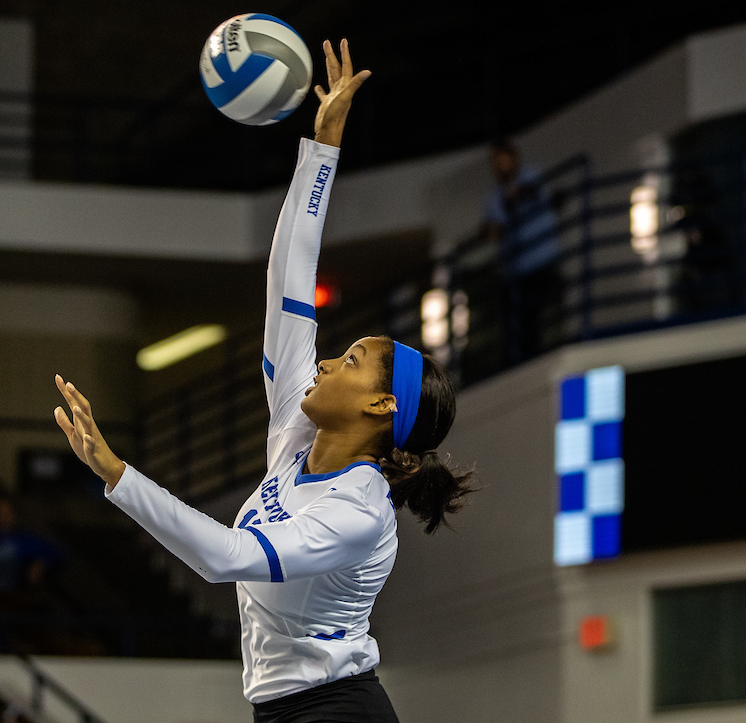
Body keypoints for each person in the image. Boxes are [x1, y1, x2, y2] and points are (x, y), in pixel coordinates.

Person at [52, 40, 475, 722]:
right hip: (282, 712)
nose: (329, 361)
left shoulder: (359, 510)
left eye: (352, 360)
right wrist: (322, 151)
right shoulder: (297, 429)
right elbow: (288, 284)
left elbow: (226, 557)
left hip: (338, 712)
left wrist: (117, 475)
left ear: (379, 403)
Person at [480, 139, 563, 363]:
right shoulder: (495, 196)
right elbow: (491, 229)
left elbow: (531, 194)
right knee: (517, 323)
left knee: (539, 314)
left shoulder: (530, 176)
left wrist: (513, 201)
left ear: (513, 158)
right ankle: (519, 358)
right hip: (517, 271)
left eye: (500, 160)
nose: (497, 167)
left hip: (542, 261)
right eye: (493, 163)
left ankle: (534, 354)